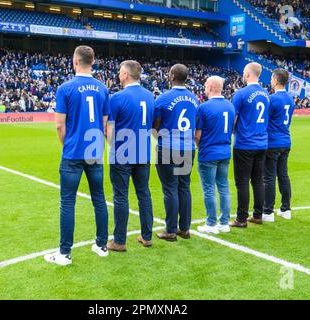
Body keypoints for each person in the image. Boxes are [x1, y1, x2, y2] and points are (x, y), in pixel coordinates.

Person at [45, 46, 110, 266]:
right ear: (93, 61)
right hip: (95, 152)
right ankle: (102, 246)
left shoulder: (65, 88)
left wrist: (68, 144)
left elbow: (59, 126)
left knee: (67, 202)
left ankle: (64, 253)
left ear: (75, 61)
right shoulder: (102, 88)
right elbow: (103, 124)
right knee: (99, 199)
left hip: (73, 152)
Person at [106, 60, 155, 252]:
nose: (118, 75)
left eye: (120, 72)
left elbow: (109, 129)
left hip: (122, 153)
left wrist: (113, 146)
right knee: (144, 193)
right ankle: (147, 236)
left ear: (126, 75)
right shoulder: (150, 96)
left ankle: (119, 240)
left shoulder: (117, 97)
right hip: (143, 152)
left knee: (120, 196)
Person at [153, 64, 199, 241]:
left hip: (168, 147)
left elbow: (155, 125)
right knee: (184, 187)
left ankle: (171, 230)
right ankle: (185, 228)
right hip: (188, 148)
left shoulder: (163, 98)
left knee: (170, 188)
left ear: (172, 76)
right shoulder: (195, 99)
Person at [230, 62, 270, 228]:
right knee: (258, 181)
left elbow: (234, 118)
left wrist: (231, 132)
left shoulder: (241, 94)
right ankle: (258, 215)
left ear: (247, 74)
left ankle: (241, 218)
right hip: (262, 143)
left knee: (243, 182)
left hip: (245, 143)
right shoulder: (266, 93)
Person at [195, 76, 235, 234]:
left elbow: (197, 135)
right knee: (224, 187)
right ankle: (224, 223)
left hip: (209, 153)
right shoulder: (230, 106)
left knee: (209, 189)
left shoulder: (204, 108)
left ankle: (211, 223)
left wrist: (199, 146)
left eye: (205, 85)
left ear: (211, 87)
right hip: (225, 151)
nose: (204, 88)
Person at [263, 68, 294, 222]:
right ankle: (286, 209)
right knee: (283, 175)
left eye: (271, 78)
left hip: (273, 142)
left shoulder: (271, 99)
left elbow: (264, 121)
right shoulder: (290, 98)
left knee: (269, 177)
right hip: (286, 140)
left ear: (275, 80)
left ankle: (268, 212)